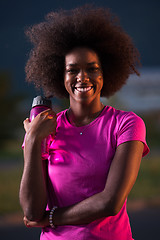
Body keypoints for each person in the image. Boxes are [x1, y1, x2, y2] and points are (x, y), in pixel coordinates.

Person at [19, 5, 149, 240]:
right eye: (72, 70)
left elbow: (110, 202)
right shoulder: (46, 128)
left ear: (104, 74)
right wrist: (33, 140)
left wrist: (51, 218)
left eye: (92, 69)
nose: (82, 77)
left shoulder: (126, 124)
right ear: (61, 76)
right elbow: (31, 210)